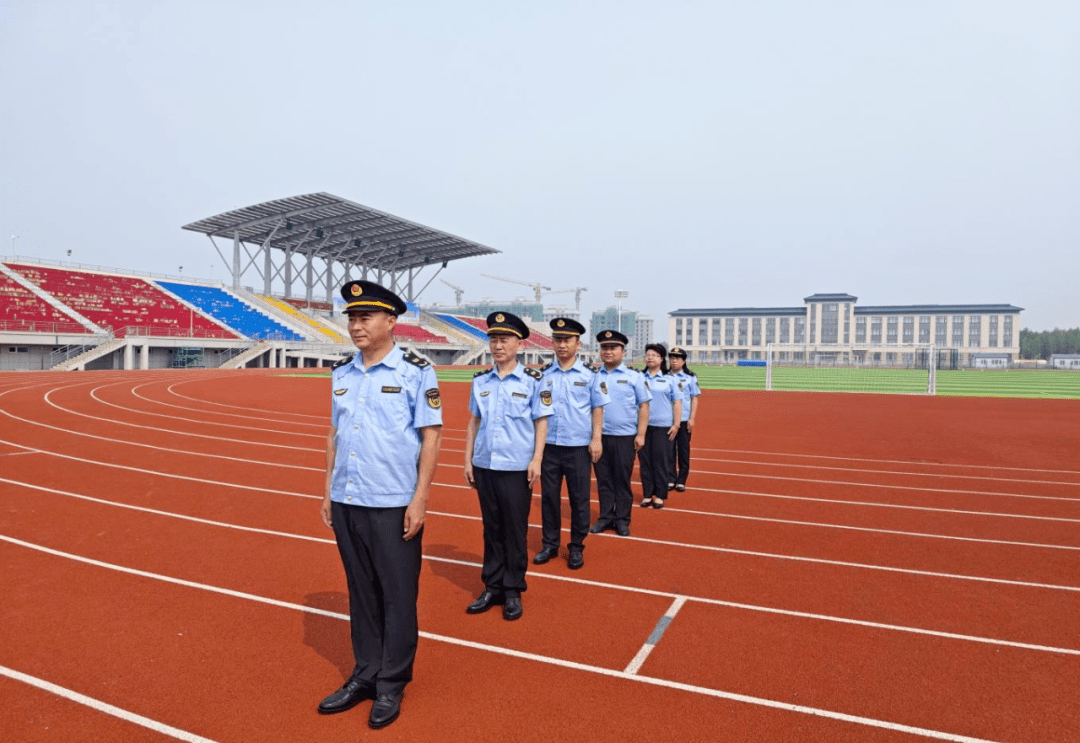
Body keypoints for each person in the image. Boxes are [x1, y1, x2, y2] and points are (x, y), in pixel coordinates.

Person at [317, 280, 442, 730]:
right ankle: (364, 674)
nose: (356, 325)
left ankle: (391, 683)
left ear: (391, 321)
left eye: (365, 317)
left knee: (397, 596)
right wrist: (328, 490)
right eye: (351, 317)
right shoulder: (342, 373)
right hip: (349, 499)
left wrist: (420, 499)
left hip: (393, 503)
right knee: (362, 592)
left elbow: (431, 436)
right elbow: (334, 436)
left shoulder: (416, 371)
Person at [463, 312, 552, 621]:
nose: (497, 345)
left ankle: (513, 589)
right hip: (486, 463)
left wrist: (537, 459)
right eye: (493, 339)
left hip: (516, 466)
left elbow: (541, 422)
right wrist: (468, 459)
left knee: (515, 529)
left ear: (519, 343)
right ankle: (493, 586)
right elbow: (474, 422)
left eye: (504, 340)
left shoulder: (533, 381)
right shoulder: (481, 381)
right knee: (492, 528)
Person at [533, 317, 609, 570]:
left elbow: (597, 408)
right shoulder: (543, 376)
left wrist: (596, 439)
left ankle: (576, 547)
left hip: (578, 447)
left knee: (579, 500)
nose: (562, 345)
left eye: (567, 340)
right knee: (549, 499)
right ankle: (550, 544)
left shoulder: (590, 376)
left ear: (578, 344)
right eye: (558, 340)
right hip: (550, 447)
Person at [589, 329, 651, 536]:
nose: (608, 351)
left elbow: (644, 406)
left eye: (613, 348)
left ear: (623, 351)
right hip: (599, 437)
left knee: (622, 479)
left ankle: (622, 519)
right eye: (604, 348)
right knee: (603, 480)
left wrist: (641, 434)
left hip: (625, 437)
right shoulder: (593, 376)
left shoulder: (634, 376)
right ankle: (605, 517)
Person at [638, 343, 682, 508]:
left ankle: (660, 495)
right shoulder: (639, 378)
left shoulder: (670, 379)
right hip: (642, 426)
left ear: (661, 359)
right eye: (648, 355)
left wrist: (676, 425)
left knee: (661, 461)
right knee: (645, 462)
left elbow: (677, 403)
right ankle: (648, 493)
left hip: (663, 426)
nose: (650, 357)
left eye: (654, 355)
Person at [668, 346, 702, 491]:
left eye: (677, 358)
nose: (674, 361)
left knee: (683, 450)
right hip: (667, 420)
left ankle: (681, 479)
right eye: (671, 358)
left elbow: (694, 398)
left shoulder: (690, 377)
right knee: (669, 451)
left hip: (683, 420)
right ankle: (670, 478)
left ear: (683, 361)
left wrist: (692, 418)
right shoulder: (664, 376)